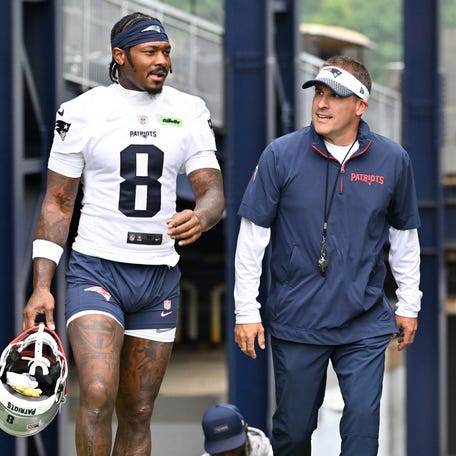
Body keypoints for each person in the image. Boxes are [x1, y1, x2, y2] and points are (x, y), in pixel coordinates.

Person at [23, 11, 224, 455]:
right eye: (150, 52)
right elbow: (57, 202)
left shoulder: (188, 110)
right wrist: (41, 286)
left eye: (166, 52)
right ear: (120, 56)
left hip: (158, 279)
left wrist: (203, 216)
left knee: (137, 410)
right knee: (96, 392)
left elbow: (211, 190)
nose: (162, 61)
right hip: (98, 271)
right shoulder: (80, 112)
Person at [233, 56, 422, 455]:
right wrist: (245, 310)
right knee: (294, 432)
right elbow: (252, 238)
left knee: (362, 434)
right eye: (318, 92)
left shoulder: (392, 160)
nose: (322, 103)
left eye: (336, 96)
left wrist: (409, 304)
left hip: (365, 321)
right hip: (298, 320)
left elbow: (404, 237)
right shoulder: (280, 155)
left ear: (360, 106)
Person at [201, 403, 273, 456]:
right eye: (221, 453)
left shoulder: (264, 451)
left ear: (246, 431)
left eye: (232, 450)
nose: (227, 455)